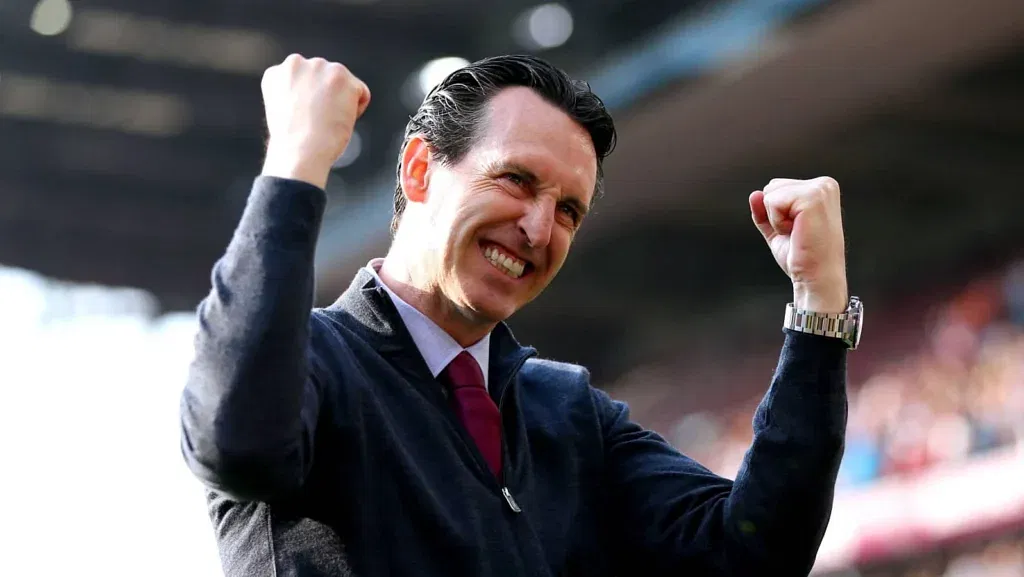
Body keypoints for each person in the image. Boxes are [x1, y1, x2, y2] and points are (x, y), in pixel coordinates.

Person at [179, 53, 858, 577]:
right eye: (516, 179)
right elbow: (235, 439)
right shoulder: (308, 365)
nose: (538, 228)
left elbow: (752, 551)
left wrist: (818, 305)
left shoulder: (566, 411)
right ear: (419, 170)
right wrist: (297, 161)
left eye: (568, 210)